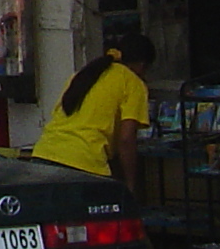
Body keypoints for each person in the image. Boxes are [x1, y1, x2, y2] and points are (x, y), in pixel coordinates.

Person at [30, 32, 157, 194]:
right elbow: (126, 140)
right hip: (83, 165)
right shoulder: (133, 83)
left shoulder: (83, 75)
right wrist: (130, 185)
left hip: (42, 156)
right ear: (141, 65)